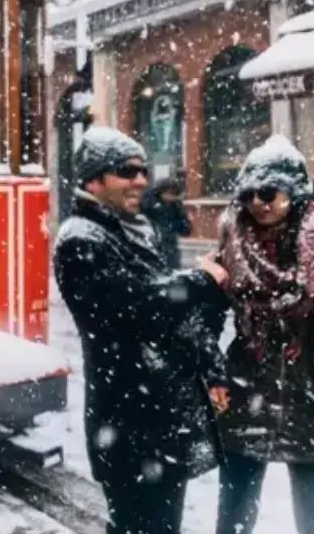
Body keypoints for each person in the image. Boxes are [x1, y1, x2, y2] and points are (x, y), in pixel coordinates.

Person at [52, 127, 228, 534]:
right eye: (127, 171)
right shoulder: (81, 237)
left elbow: (170, 317)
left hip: (160, 418)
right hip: (127, 421)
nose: (141, 180)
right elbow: (131, 305)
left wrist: (211, 366)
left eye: (143, 170)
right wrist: (200, 282)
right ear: (93, 180)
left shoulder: (137, 229)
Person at [212, 136, 314, 534]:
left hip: (312, 393)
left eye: (269, 191)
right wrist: (213, 371)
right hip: (246, 392)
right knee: (234, 517)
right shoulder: (233, 241)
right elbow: (206, 319)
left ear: (294, 190)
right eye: (250, 194)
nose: (259, 202)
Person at [141, 178, 192, 269]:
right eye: (170, 193)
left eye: (174, 195)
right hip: (151, 244)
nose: (171, 198)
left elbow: (185, 229)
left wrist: (177, 224)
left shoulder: (175, 205)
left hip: (170, 247)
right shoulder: (148, 203)